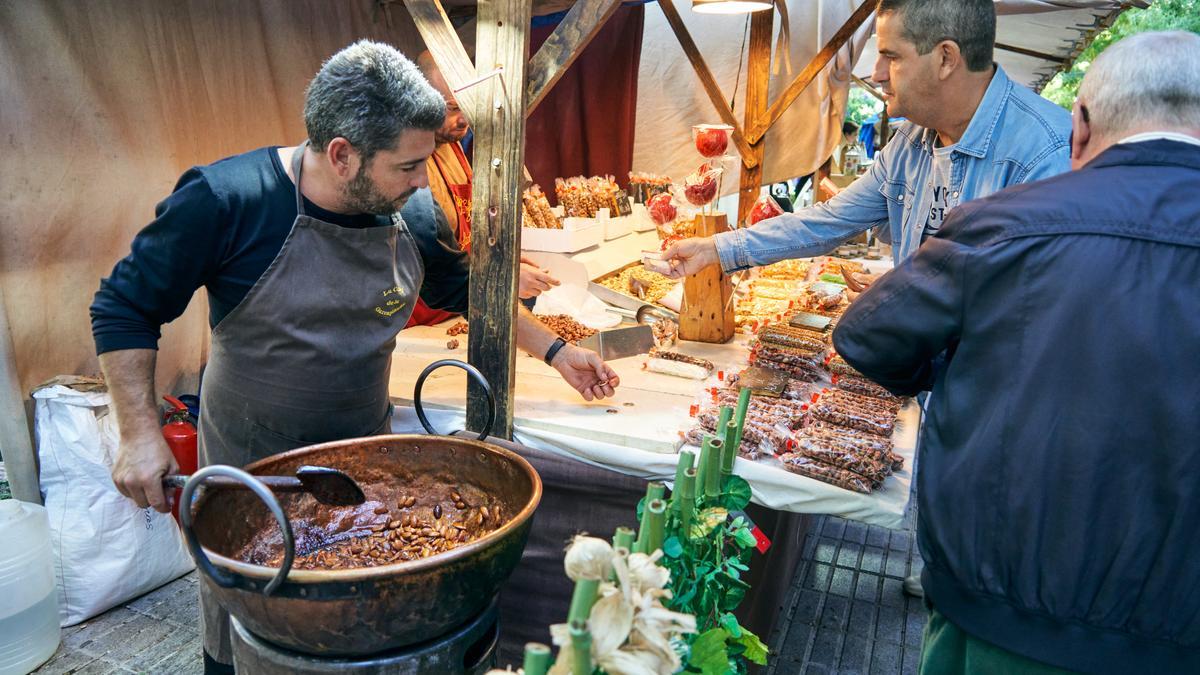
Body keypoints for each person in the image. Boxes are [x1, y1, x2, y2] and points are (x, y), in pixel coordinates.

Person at [89, 41, 619, 673]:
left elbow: (461, 290)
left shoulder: (410, 214)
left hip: (370, 475)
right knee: (255, 636)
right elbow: (124, 306)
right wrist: (138, 434)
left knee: (365, 630)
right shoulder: (228, 200)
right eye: (408, 166)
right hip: (253, 476)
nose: (424, 181)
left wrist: (556, 351)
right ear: (342, 155)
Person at [662, 0, 1072, 597]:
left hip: (1000, 393)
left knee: (988, 561)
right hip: (933, 376)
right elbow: (827, 221)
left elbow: (1044, 302)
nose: (874, 74)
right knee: (943, 532)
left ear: (946, 59)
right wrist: (721, 250)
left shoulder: (1042, 150)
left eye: (888, 55)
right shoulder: (912, 142)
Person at [832, 31, 1200, 673]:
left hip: (1000, 614)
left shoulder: (1006, 221)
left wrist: (951, 365)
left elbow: (867, 336)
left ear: (1079, 129)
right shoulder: (927, 161)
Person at [404, 52, 558, 326]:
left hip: (461, 305)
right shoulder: (406, 163)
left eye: (468, 106)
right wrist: (497, 274)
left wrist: (496, 258)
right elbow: (425, 257)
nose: (464, 119)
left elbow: (462, 231)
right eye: (452, 108)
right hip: (422, 314)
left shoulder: (453, 145)